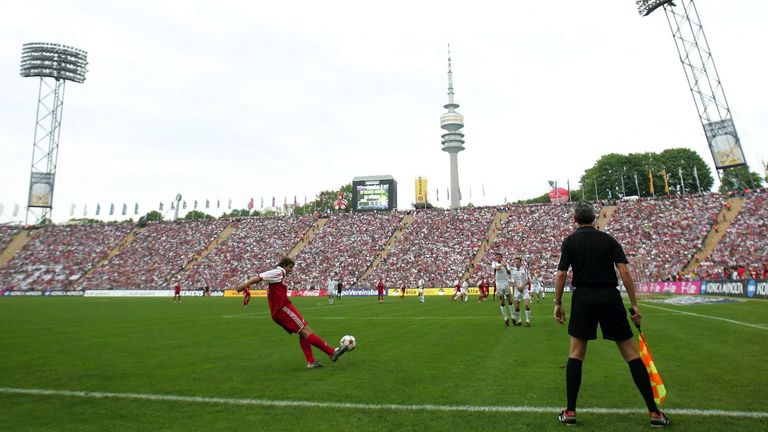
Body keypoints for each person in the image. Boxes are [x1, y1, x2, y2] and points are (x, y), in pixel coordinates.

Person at [553, 201, 670, 427]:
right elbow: (624, 270)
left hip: (583, 297)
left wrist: (557, 303)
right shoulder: (609, 240)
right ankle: (654, 413)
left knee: (576, 353)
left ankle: (570, 412)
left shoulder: (569, 241)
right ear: (595, 219)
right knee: (630, 353)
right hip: (610, 297)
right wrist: (634, 304)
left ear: (575, 220)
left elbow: (561, 274)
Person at [232, 256, 351, 369]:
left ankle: (311, 361)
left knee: (303, 332)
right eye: (290, 267)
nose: (291, 270)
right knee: (305, 330)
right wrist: (244, 285)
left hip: (281, 309)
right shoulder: (279, 272)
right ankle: (331, 353)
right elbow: (259, 277)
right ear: (284, 266)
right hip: (283, 308)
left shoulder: (279, 274)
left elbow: (260, 279)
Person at [491, 252, 515, 326]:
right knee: (502, 301)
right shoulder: (494, 263)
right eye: (497, 257)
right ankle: (505, 319)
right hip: (498, 283)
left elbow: (509, 272)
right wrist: (502, 264)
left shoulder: (506, 264)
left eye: (499, 257)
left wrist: (505, 266)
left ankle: (513, 317)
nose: (498, 258)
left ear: (501, 257)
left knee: (509, 299)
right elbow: (497, 268)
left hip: (505, 282)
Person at [510, 257, 532, 327]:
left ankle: (528, 320)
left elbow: (528, 280)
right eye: (515, 261)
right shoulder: (513, 271)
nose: (516, 263)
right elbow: (512, 281)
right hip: (517, 290)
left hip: (524, 289)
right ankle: (519, 320)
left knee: (527, 305)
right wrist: (517, 287)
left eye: (518, 261)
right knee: (516, 307)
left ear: (521, 262)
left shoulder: (525, 270)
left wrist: (522, 286)